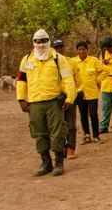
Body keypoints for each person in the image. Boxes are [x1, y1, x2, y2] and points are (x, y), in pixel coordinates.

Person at [17, 29, 77, 176]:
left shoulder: (57, 58)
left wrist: (70, 98)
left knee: (57, 133)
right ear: (33, 42)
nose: (41, 44)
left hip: (54, 102)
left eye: (44, 40)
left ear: (48, 41)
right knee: (39, 133)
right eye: (37, 41)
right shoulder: (27, 59)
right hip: (35, 103)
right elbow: (21, 81)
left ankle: (58, 163)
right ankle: (46, 163)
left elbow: (68, 79)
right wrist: (21, 99)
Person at [53, 39, 82, 159]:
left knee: (70, 124)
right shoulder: (49, 63)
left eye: (61, 47)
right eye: (56, 48)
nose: (59, 50)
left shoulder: (72, 62)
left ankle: (70, 148)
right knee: (57, 125)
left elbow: (79, 81)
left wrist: (74, 94)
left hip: (69, 96)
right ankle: (59, 150)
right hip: (55, 97)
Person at [74, 41, 107, 144]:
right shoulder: (73, 62)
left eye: (84, 49)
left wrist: (98, 80)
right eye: (79, 49)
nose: (82, 51)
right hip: (80, 93)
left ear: (87, 50)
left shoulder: (94, 61)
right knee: (83, 114)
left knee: (93, 114)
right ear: (77, 51)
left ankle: (96, 135)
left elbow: (105, 70)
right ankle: (86, 135)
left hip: (92, 92)